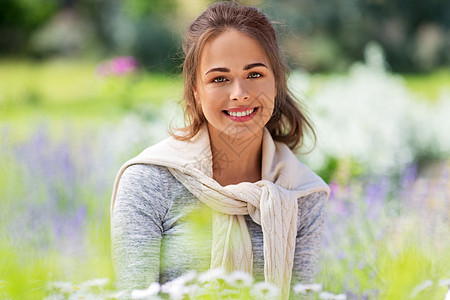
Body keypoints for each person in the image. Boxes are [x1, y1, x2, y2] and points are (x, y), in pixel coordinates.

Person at [110, 1, 330, 299]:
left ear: (277, 82)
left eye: (254, 74)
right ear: (196, 92)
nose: (240, 94)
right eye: (219, 79)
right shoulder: (149, 181)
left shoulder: (303, 193)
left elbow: (304, 295)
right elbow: (133, 294)